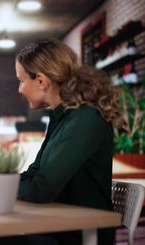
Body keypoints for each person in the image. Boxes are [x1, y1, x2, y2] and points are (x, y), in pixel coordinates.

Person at [16, 38, 122, 244]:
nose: (19, 89)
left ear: (40, 81)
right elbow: (34, 173)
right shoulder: (60, 117)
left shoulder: (86, 118)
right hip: (59, 226)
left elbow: (41, 189)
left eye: (21, 81)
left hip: (82, 236)